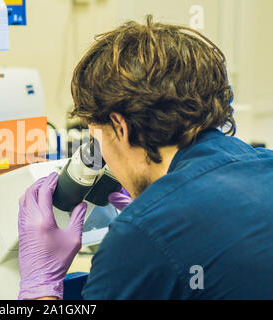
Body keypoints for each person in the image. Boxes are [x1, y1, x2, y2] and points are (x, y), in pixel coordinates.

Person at [17, 15, 273, 300]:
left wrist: (39, 288)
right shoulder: (266, 163)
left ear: (120, 126)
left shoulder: (141, 232)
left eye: (96, 138)